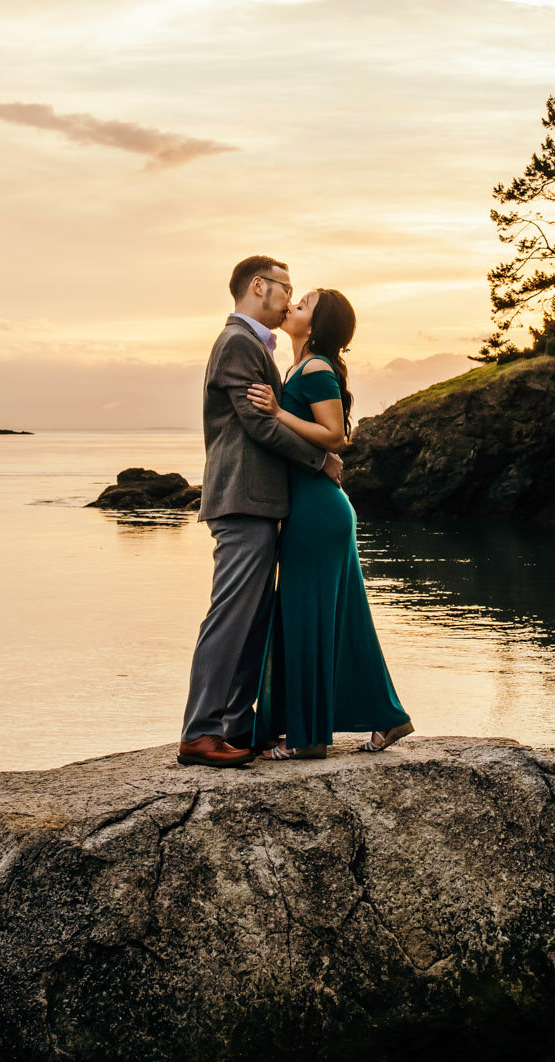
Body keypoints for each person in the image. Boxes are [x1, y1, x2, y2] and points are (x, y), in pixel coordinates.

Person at [177, 256, 343, 768]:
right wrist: (322, 458)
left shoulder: (257, 347)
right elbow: (259, 426)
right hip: (242, 500)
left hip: (260, 501)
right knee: (231, 615)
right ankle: (200, 732)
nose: (290, 299)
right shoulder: (237, 344)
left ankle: (235, 726)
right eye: (285, 288)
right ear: (258, 287)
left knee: (253, 619)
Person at [245, 287, 413, 759]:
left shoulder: (315, 368)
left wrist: (277, 412)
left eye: (303, 306)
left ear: (316, 326)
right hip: (309, 508)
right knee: (341, 618)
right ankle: (389, 717)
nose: (292, 306)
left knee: (307, 616)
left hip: (318, 511)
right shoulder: (297, 367)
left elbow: (335, 436)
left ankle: (311, 737)